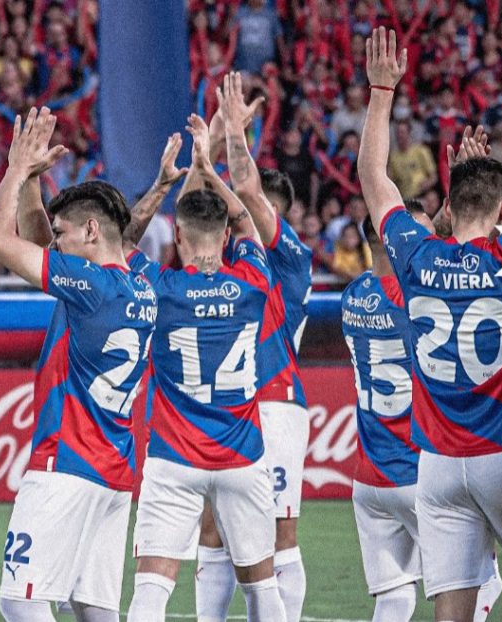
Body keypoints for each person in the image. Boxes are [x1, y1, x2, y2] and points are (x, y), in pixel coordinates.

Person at [357, 19, 502, 621]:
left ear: (448, 203)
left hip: (435, 465)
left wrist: (382, 92)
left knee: (453, 612)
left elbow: (375, 183)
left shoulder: (416, 255)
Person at [0, 107, 156, 622]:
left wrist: (15, 169)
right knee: (93, 608)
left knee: (20, 600)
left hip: (67, 462)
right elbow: (41, 244)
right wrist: (35, 178)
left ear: (93, 230)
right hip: (115, 469)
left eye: (65, 233)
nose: (55, 242)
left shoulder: (90, 287)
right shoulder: (138, 285)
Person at [124, 111, 286, 622]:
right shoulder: (253, 283)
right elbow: (250, 224)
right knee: (263, 589)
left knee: (152, 587)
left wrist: (163, 184)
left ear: (177, 242)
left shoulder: (161, 288)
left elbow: (122, 243)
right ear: (224, 239)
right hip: (242, 458)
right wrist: (210, 168)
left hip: (174, 458)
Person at [342, 201, 502, 622]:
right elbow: (467, 277)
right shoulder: (417, 298)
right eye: (421, 236)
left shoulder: (353, 294)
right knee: (485, 582)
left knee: (394, 600)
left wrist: (442, 228)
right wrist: (466, 226)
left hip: (370, 479)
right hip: (420, 475)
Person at [193, 73, 312, 622]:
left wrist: (233, 133)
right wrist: (212, 137)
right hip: (228, 403)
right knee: (213, 528)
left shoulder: (288, 254)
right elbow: (201, 200)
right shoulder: (231, 260)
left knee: (280, 529)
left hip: (275, 398)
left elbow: (242, 190)